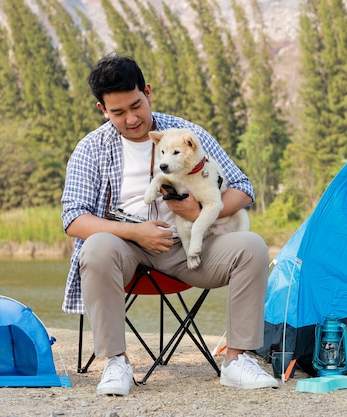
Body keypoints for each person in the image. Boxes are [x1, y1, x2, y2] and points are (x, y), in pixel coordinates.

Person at [61, 52, 278, 396]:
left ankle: (237, 361)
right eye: (118, 112)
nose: (132, 119)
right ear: (102, 109)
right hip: (125, 249)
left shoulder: (187, 134)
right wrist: (135, 232)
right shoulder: (91, 148)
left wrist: (202, 212)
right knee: (97, 246)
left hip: (188, 246)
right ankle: (116, 362)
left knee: (251, 246)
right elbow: (73, 218)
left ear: (147, 91)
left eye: (136, 105)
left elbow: (243, 188)